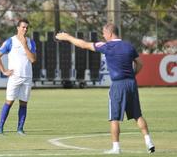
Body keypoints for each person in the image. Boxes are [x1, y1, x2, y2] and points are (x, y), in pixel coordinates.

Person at [55, 23, 155, 154]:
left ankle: (116, 148)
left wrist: (68, 37)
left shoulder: (107, 46)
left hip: (118, 85)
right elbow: (140, 64)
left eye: (104, 33)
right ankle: (149, 142)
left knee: (114, 117)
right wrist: (132, 75)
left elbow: (83, 44)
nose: (103, 35)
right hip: (131, 83)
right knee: (137, 115)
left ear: (110, 33)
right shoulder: (129, 46)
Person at [0, 18, 36, 135]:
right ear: (18, 28)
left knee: (24, 103)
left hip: (27, 77)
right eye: (23, 27)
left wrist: (24, 45)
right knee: (9, 102)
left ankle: (20, 129)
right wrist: (4, 71)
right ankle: (0, 128)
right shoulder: (10, 41)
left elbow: (33, 59)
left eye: (27, 27)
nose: (25, 29)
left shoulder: (30, 42)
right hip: (15, 77)